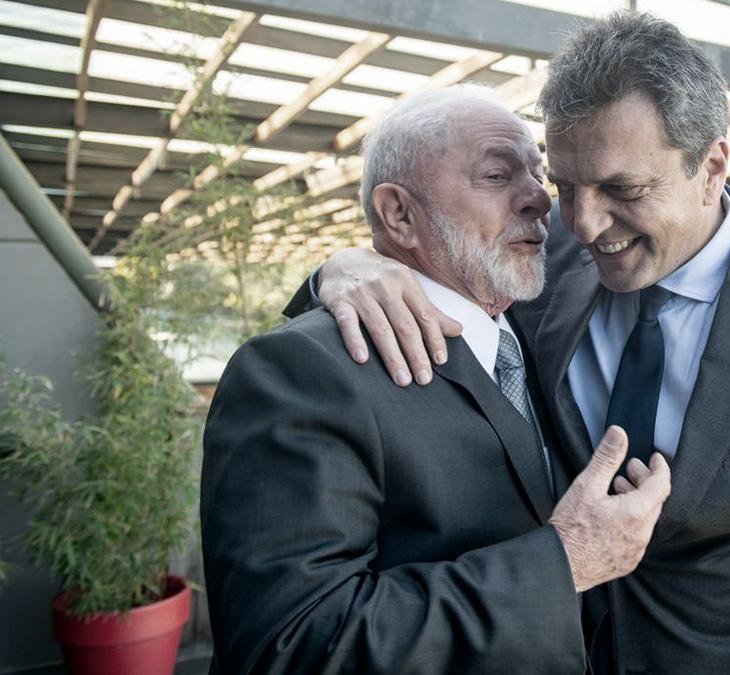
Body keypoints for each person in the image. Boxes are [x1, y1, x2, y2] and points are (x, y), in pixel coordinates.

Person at [291, 12, 730, 674]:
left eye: (623, 189)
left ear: (711, 167)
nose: (585, 224)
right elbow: (425, 264)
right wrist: (339, 269)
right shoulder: (539, 258)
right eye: (565, 187)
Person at [201, 86, 672, 675]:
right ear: (400, 214)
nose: (539, 199)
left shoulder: (529, 317)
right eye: (497, 175)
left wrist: (333, 266)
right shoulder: (298, 372)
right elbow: (290, 648)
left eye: (539, 174)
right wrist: (566, 561)